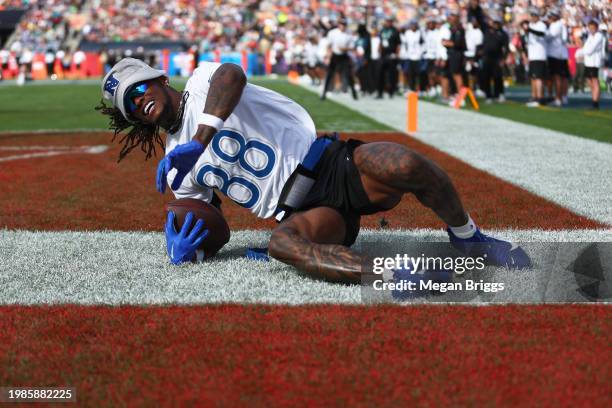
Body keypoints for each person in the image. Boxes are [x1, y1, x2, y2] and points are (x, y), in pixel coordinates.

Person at [96, 58, 531, 285]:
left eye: (137, 91)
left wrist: (200, 139)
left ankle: (467, 237)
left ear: (157, 80)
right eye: (129, 107)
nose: (137, 103)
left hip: (331, 165)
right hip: (304, 211)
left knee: (404, 162)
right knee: (284, 245)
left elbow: (232, 76)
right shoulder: (176, 164)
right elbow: (210, 223)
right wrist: (188, 242)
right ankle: (403, 274)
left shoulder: (200, 81)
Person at [321, 19, 358, 101]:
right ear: (339, 25)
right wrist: (328, 56)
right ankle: (324, 92)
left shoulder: (349, 34)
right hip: (335, 55)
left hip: (344, 55)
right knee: (330, 74)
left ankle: (354, 92)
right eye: (341, 24)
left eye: (344, 25)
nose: (343, 26)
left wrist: (344, 49)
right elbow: (329, 45)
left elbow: (352, 47)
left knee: (348, 74)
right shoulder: (333, 33)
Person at [577, 20, 606, 110]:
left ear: (596, 28)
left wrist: (583, 49)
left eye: (593, 28)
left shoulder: (599, 36)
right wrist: (584, 48)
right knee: (589, 81)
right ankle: (594, 99)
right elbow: (586, 48)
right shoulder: (590, 36)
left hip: (595, 62)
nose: (591, 30)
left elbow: (589, 50)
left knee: (594, 80)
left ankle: (595, 102)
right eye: (590, 28)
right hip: (588, 62)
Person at [480, 14, 509, 103]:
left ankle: (499, 94)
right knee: (486, 77)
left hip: (497, 58)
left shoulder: (503, 34)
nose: (495, 25)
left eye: (497, 23)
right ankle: (488, 95)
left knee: (498, 77)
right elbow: (479, 19)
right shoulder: (487, 31)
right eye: (494, 23)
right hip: (487, 57)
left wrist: (504, 58)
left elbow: (506, 47)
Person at [545, 8, 569, 107]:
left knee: (557, 78)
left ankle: (558, 98)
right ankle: (563, 97)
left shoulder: (556, 25)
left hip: (555, 54)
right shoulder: (561, 25)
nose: (549, 18)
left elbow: (548, 37)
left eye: (551, 16)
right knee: (562, 78)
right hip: (561, 54)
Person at [443, 10, 467, 106]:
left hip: (457, 55)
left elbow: (458, 43)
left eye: (453, 16)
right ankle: (457, 95)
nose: (450, 18)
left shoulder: (459, 29)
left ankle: (461, 97)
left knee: (457, 75)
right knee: (453, 75)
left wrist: (447, 43)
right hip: (453, 54)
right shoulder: (453, 28)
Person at [526, 8, 547, 107]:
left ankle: (539, 98)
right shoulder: (531, 25)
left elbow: (541, 34)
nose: (533, 17)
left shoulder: (541, 25)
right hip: (532, 56)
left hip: (539, 55)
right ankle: (534, 97)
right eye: (532, 15)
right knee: (533, 78)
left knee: (538, 78)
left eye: (535, 15)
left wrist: (529, 30)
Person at [377, 17, 401, 99]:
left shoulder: (395, 31)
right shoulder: (382, 30)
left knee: (391, 75)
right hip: (383, 55)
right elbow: (380, 42)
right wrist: (379, 52)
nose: (388, 23)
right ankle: (380, 92)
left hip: (391, 55)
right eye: (387, 21)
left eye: (390, 21)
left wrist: (397, 54)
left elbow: (398, 44)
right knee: (380, 75)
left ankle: (391, 92)